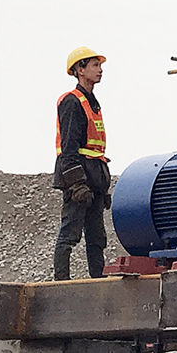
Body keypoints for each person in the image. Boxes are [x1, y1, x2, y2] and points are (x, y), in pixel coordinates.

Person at [53, 46, 110, 280]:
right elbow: (68, 149)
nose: (100, 70)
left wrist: (103, 186)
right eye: (95, 65)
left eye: (100, 66)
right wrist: (76, 183)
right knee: (70, 232)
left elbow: (96, 150)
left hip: (94, 177)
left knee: (97, 238)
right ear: (79, 69)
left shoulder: (93, 103)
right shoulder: (72, 102)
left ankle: (98, 279)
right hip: (79, 177)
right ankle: (61, 281)